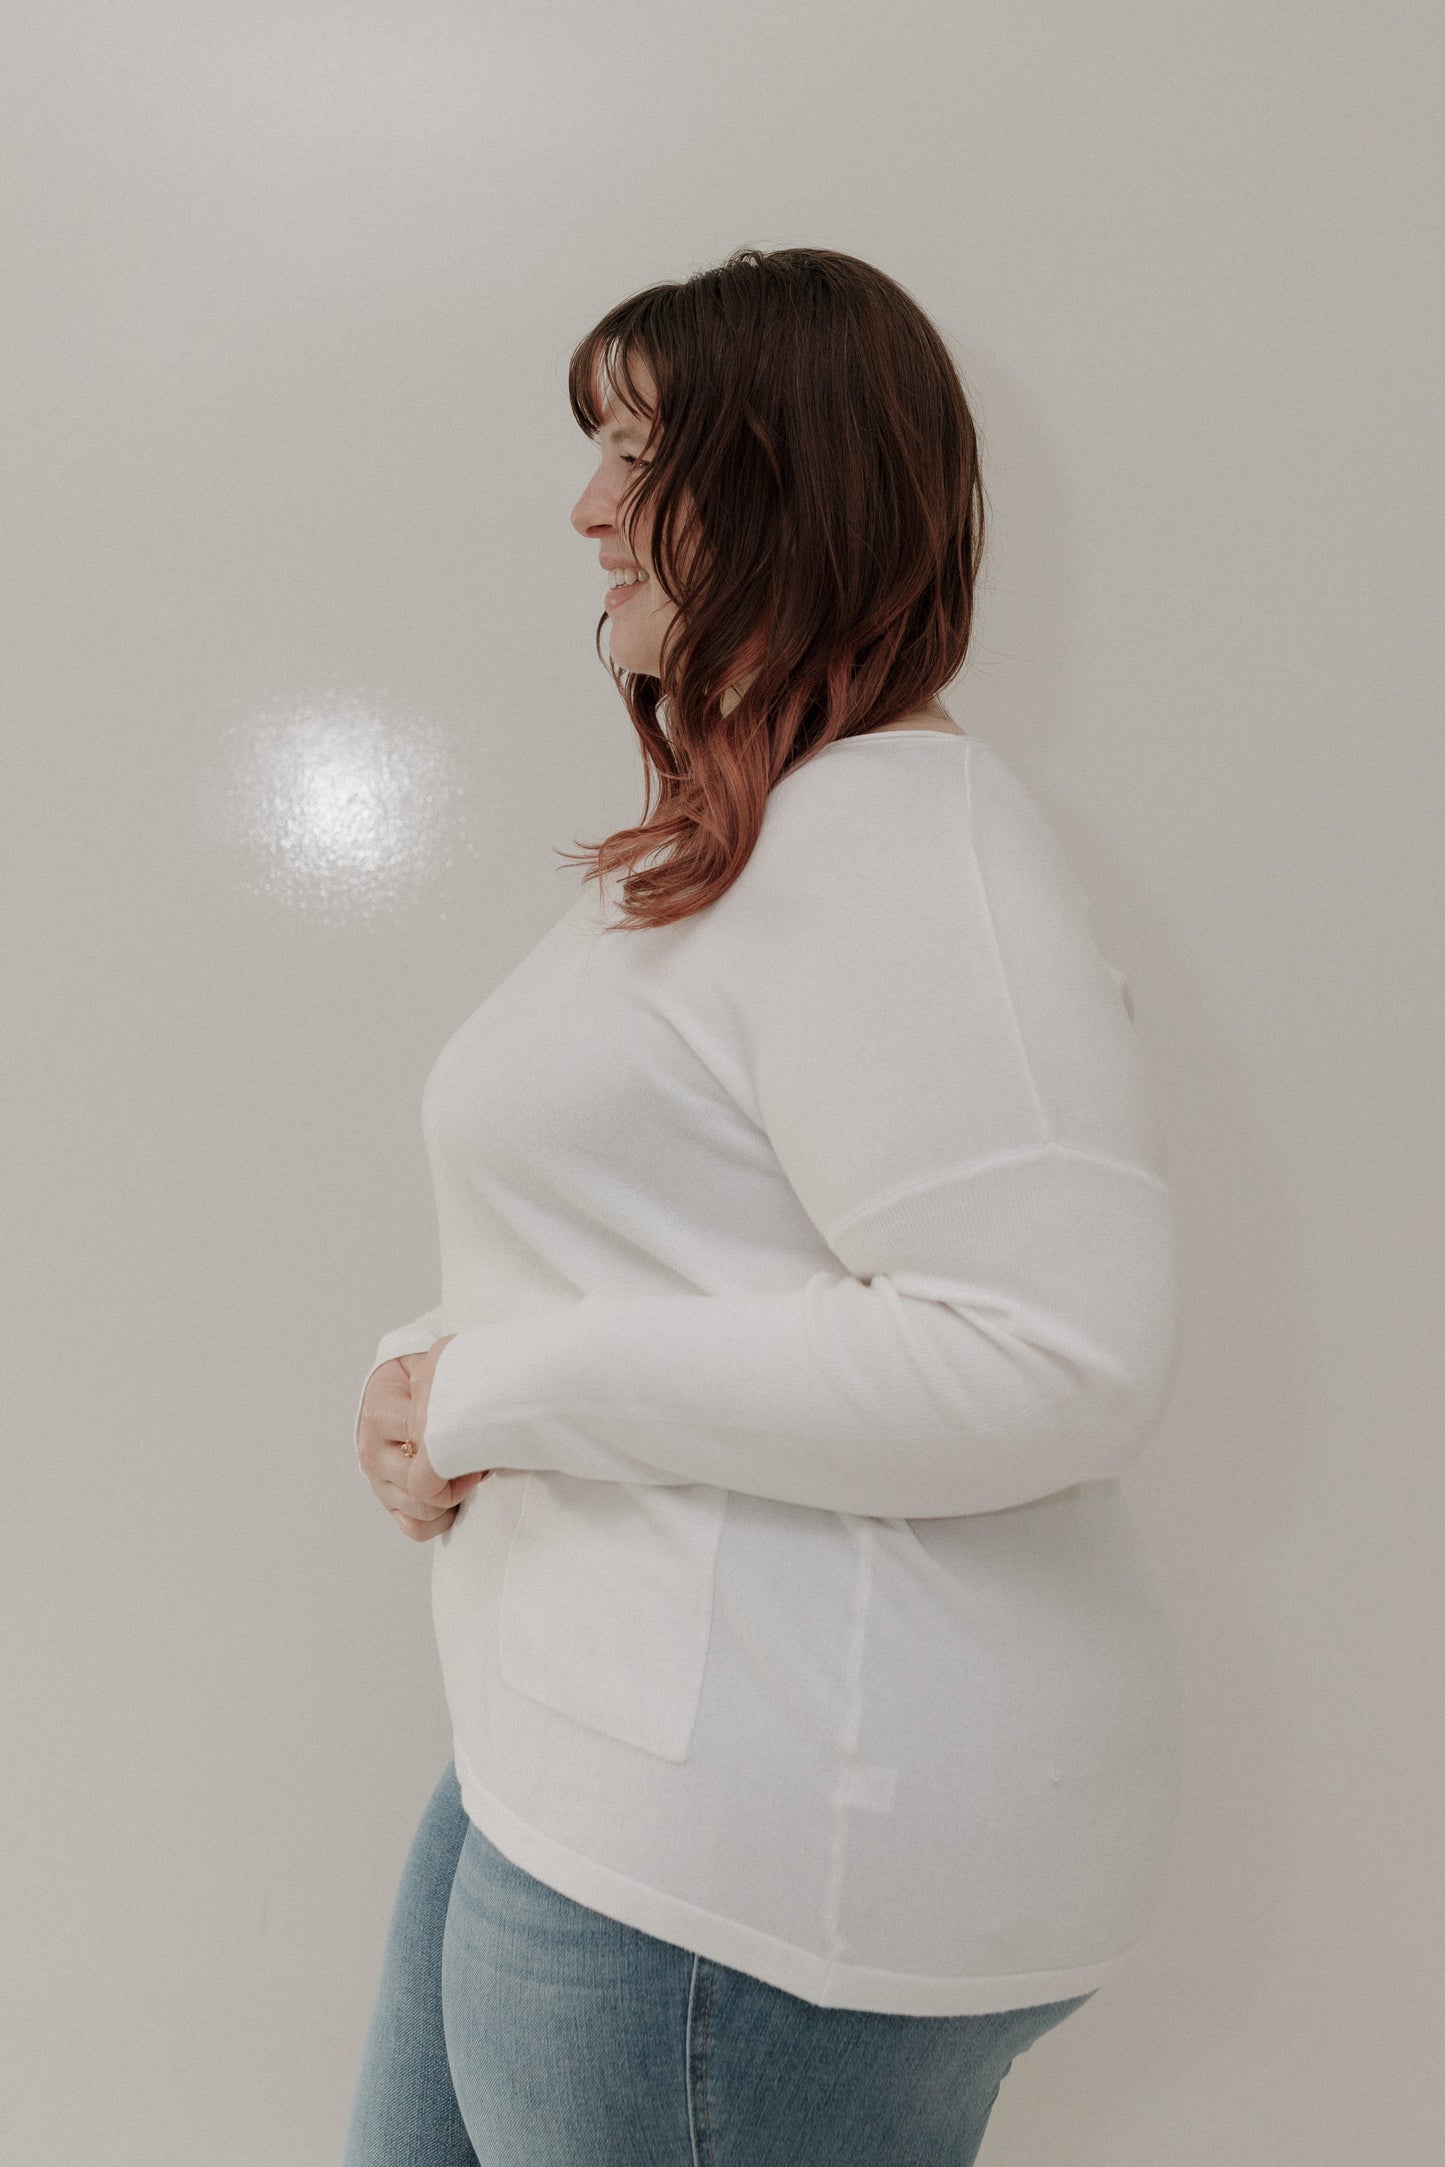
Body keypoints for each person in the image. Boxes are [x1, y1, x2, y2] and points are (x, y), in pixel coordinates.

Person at [345, 246, 1182, 2166]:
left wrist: (490, 1393)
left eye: (638, 447)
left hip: (746, 1862)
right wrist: (430, 1369)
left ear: (788, 479)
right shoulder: (750, 840)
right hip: (582, 1759)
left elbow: (1044, 1356)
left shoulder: (899, 845)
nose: (584, 506)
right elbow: (653, 1231)